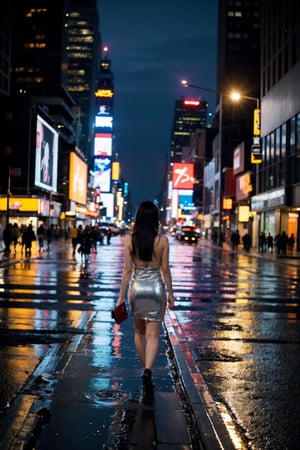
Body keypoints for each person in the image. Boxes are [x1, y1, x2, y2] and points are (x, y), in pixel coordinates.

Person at [115, 200, 174, 393]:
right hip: (156, 289)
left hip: (137, 289)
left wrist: (120, 297)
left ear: (138, 219)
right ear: (156, 219)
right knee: (154, 335)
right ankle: (148, 369)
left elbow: (126, 270)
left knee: (139, 333)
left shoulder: (129, 240)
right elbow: (165, 270)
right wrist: (171, 294)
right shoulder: (163, 241)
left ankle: (145, 369)